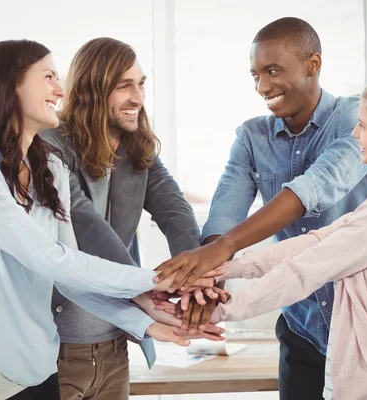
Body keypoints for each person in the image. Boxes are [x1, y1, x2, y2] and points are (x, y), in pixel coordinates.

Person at [0, 40, 217, 400]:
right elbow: (50, 257)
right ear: (10, 84)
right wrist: (158, 283)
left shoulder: (49, 167)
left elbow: (71, 274)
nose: (60, 90)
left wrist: (148, 323)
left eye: (141, 84)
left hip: (42, 371)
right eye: (48, 77)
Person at [185, 51, 367, 399]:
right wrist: (230, 266)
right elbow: (314, 243)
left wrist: (219, 311)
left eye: (364, 127)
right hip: (352, 370)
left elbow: (309, 268)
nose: (355, 133)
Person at [154, 17, 367, 399]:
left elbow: (315, 188)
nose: (262, 87)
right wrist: (208, 281)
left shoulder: (356, 118)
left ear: (313, 65)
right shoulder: (251, 137)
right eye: (256, 75)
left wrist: (221, 250)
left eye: (273, 71)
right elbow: (226, 209)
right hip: (301, 327)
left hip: (364, 330)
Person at [40, 37, 224, 400]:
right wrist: (145, 289)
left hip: (115, 347)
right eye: (124, 86)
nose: (137, 98)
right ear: (92, 89)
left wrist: (197, 278)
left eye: (140, 84)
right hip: (56, 349)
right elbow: (83, 221)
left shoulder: (138, 150)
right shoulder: (50, 143)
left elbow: (175, 211)